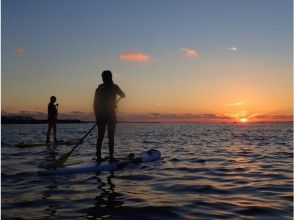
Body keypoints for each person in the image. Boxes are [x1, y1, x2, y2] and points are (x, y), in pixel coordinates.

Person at [93, 70, 125, 162]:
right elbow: (123, 95)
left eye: (103, 77)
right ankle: (110, 157)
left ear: (104, 78)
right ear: (111, 77)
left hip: (101, 115)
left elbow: (95, 105)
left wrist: (97, 117)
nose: (103, 79)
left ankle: (99, 157)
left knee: (101, 136)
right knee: (110, 137)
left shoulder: (99, 88)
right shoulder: (114, 87)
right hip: (109, 115)